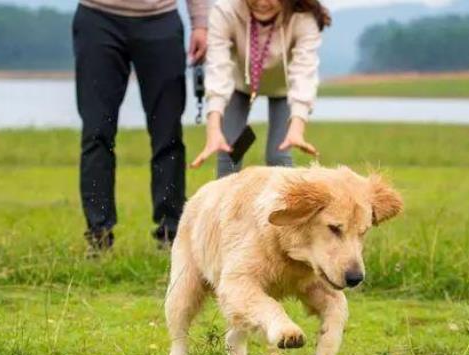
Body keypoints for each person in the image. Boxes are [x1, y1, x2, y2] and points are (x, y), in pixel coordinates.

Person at [72, 0, 209, 255]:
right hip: (97, 17)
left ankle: (170, 234)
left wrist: (200, 24)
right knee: (96, 132)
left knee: (167, 133)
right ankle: (98, 236)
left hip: (160, 20)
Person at [191, 0, 329, 177]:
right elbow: (218, 69)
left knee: (278, 157)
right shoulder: (225, 10)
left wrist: (297, 128)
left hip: (284, 89)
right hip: (238, 84)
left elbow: (304, 74)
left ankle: (285, 205)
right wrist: (213, 130)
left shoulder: (303, 18)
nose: (262, 3)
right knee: (228, 152)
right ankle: (225, 204)